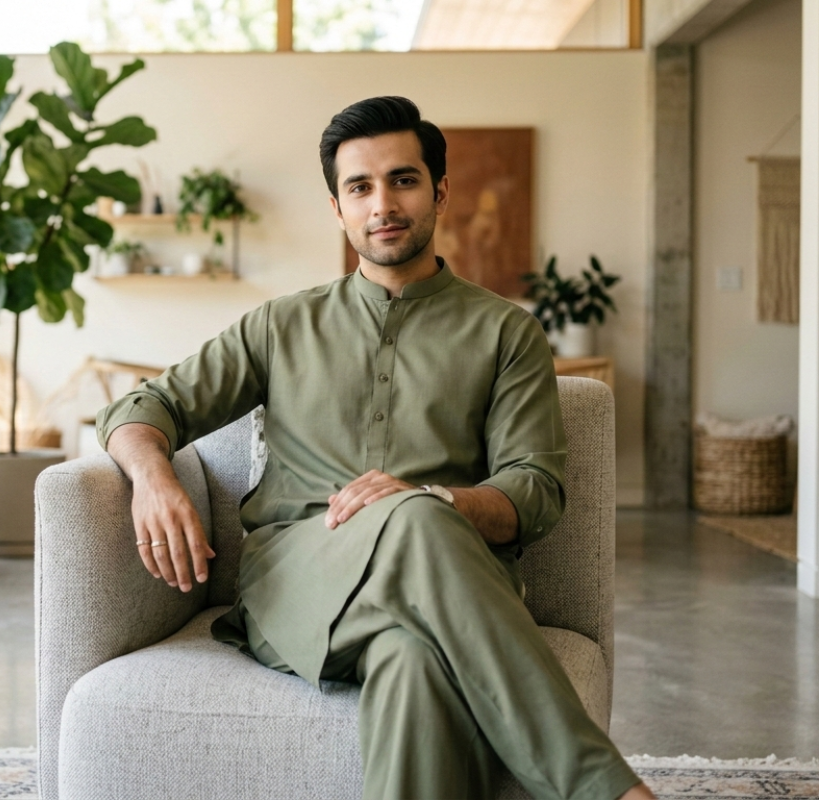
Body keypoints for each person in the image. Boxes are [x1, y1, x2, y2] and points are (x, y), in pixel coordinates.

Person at [96, 96, 654, 800]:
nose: (381, 203)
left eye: (403, 180)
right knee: (417, 520)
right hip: (297, 581)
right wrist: (150, 476)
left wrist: (432, 499)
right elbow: (148, 405)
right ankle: (603, 788)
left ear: (440, 191)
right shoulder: (281, 325)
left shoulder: (506, 334)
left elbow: (535, 493)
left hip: (447, 590)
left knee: (412, 655)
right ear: (338, 208)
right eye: (359, 187)